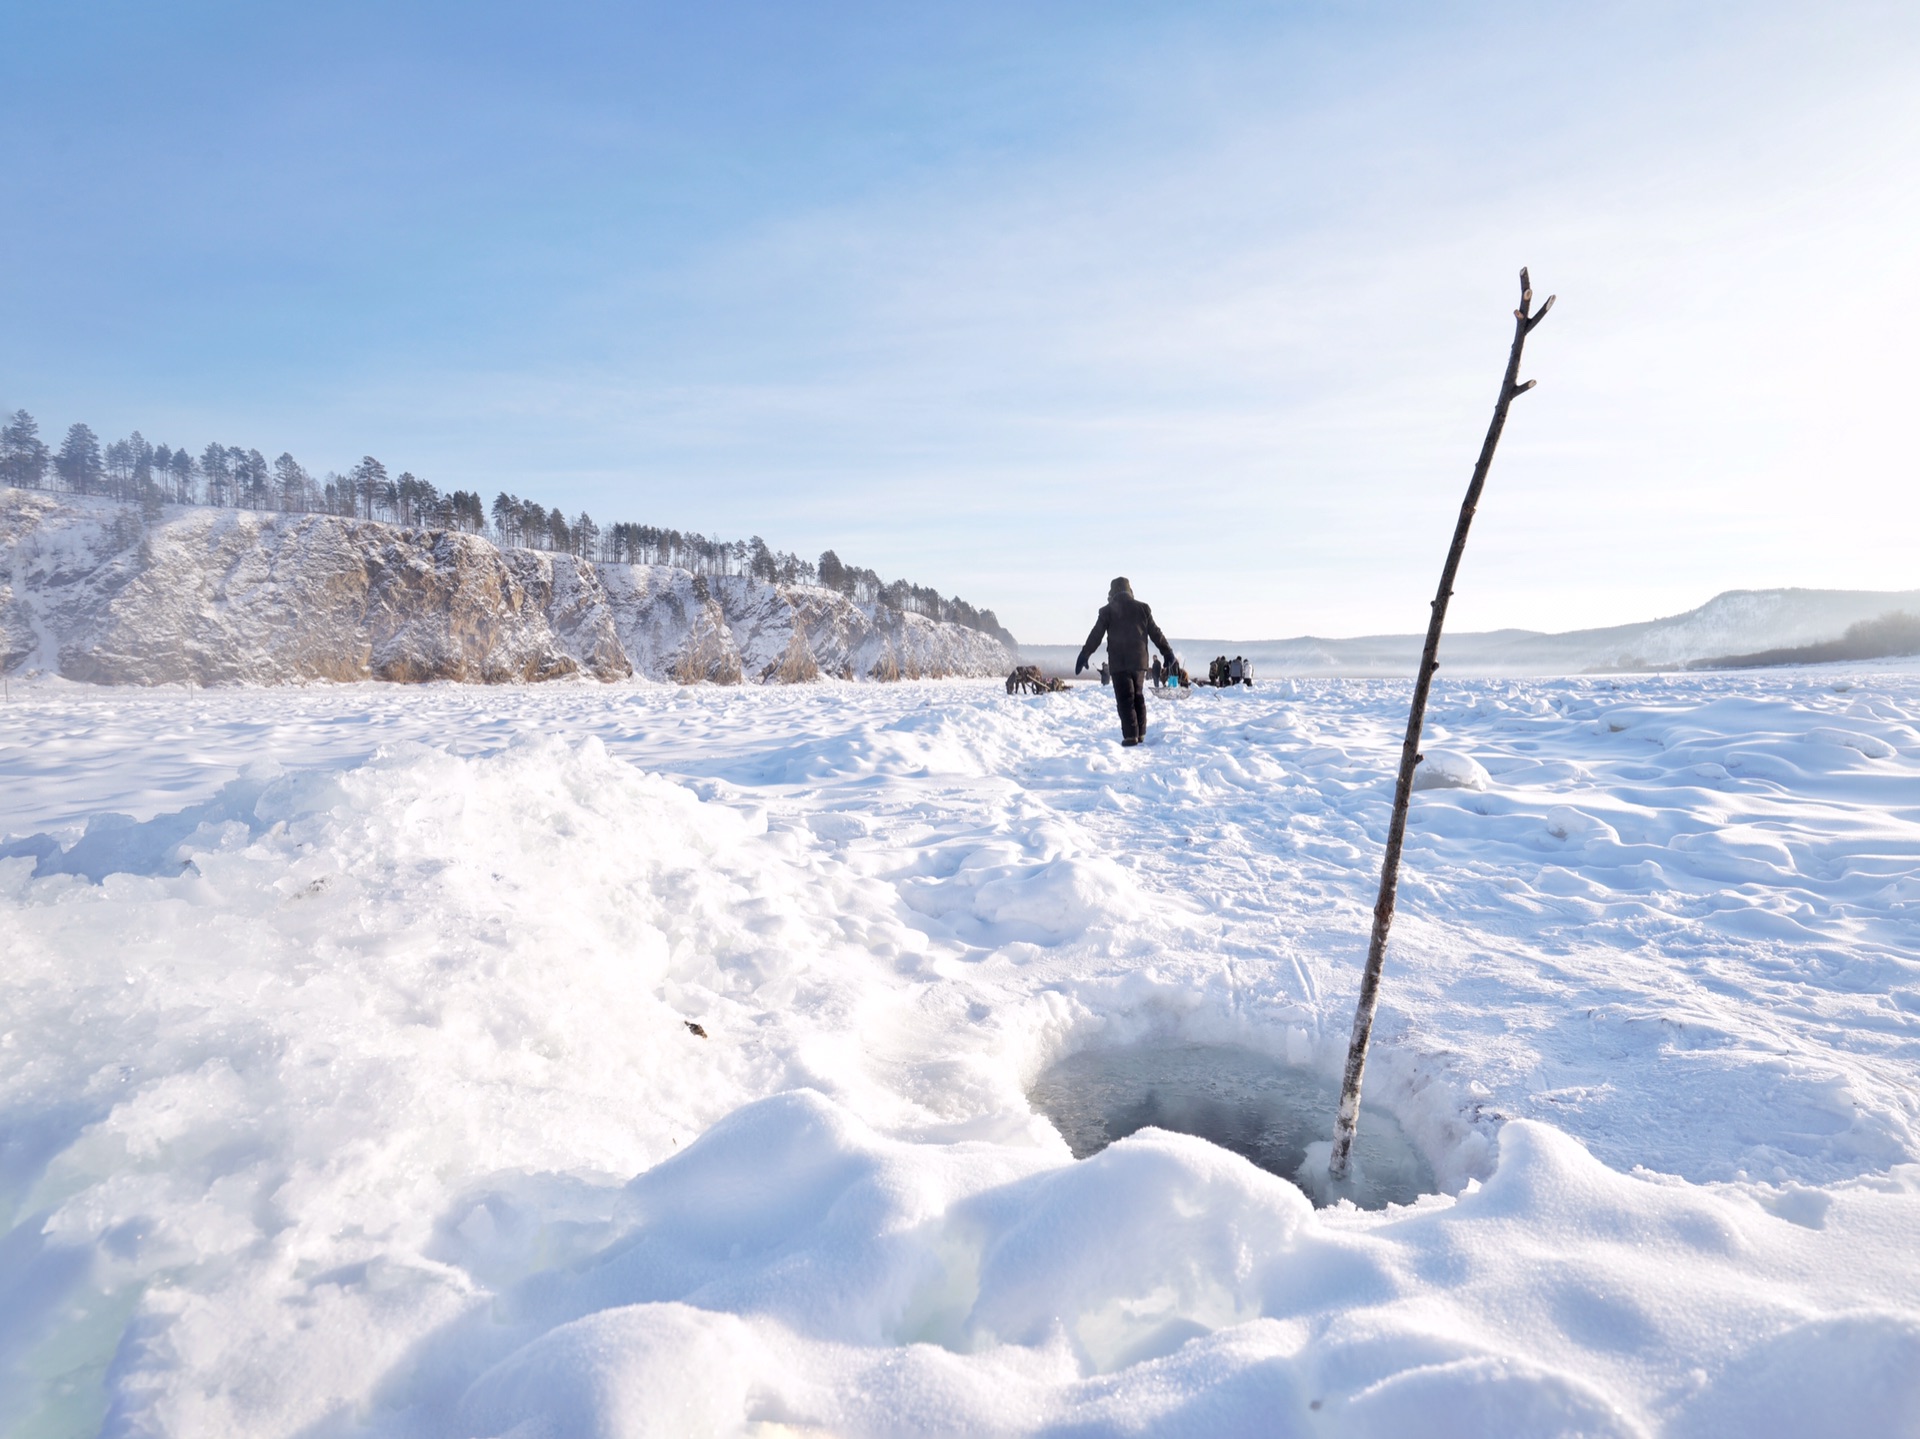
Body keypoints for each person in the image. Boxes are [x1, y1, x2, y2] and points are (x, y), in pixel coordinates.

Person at [1075, 576, 1177, 746]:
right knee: (1137, 695)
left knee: (1125, 698)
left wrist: (1085, 654)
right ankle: (1141, 733)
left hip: (1119, 661)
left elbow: (1096, 635)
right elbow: (1155, 632)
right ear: (1130, 590)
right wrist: (1167, 652)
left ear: (1112, 592)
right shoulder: (1143, 608)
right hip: (1139, 662)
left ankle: (1131, 736)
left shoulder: (1107, 611)